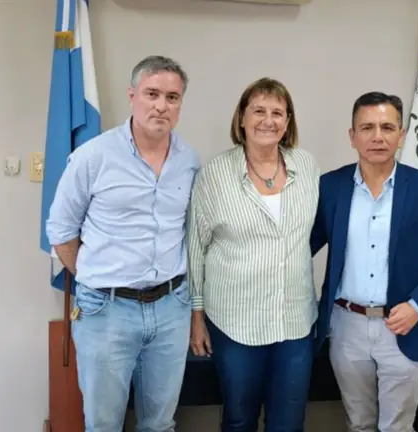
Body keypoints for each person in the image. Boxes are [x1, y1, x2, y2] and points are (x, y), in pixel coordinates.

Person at [45, 55, 199, 432]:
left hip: (171, 308)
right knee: (104, 425)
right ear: (132, 95)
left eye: (172, 97)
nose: (161, 106)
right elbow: (61, 230)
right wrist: (96, 275)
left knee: (160, 424)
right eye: (152, 94)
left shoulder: (189, 160)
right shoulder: (93, 157)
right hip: (107, 310)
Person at [310, 92, 418, 432]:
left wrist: (417, 306)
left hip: (403, 326)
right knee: (359, 424)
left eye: (387, 127)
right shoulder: (330, 187)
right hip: (346, 326)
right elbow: (300, 247)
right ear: (352, 136)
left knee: (397, 427)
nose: (377, 136)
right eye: (367, 128)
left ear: (401, 134)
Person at [187, 77, 321, 432]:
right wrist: (196, 316)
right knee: (239, 419)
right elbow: (195, 246)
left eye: (278, 112)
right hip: (235, 323)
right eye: (258, 110)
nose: (268, 120)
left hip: (294, 321)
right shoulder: (215, 174)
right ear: (242, 119)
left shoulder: (307, 166)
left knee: (289, 422)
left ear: (288, 122)